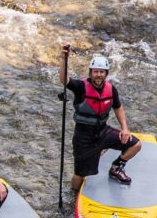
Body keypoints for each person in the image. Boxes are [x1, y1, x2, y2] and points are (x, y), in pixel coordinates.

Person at [59, 45, 141, 188]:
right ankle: (74, 196)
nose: (98, 75)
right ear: (90, 73)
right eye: (95, 72)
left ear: (106, 73)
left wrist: (125, 128)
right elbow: (64, 80)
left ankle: (116, 168)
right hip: (84, 137)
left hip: (103, 132)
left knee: (135, 145)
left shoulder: (111, 89)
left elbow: (118, 107)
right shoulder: (80, 87)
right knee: (80, 174)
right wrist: (64, 58)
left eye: (101, 72)